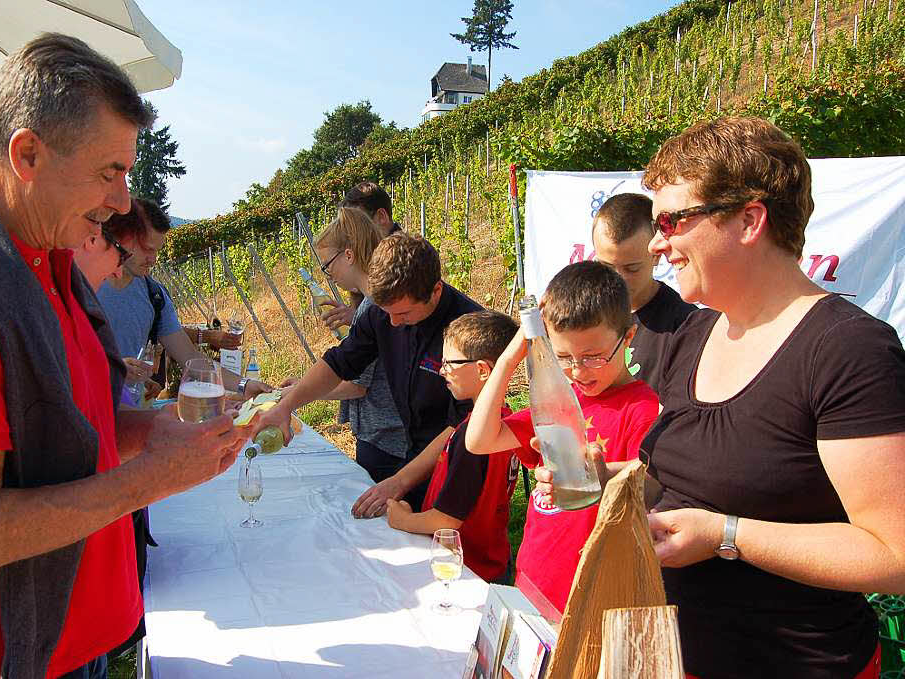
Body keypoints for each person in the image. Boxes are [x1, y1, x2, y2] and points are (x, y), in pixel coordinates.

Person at [0, 34, 248, 678]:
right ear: (26, 154)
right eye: (110, 171)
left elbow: (64, 428)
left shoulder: (47, 262)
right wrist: (153, 478)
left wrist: (148, 430)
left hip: (71, 650)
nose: (123, 202)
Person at [541, 117, 905, 678]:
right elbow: (696, 477)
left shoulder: (846, 350)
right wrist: (609, 479)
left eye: (672, 219)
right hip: (671, 655)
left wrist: (728, 536)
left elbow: (894, 555)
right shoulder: (695, 335)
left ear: (749, 219)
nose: (659, 242)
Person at [467, 261, 659, 619]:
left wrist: (601, 473)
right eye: (564, 357)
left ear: (628, 337)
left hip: (589, 596)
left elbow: (651, 483)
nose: (578, 371)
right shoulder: (556, 399)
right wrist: (511, 357)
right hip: (532, 578)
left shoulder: (642, 408)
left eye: (594, 356)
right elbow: (478, 440)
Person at [255, 232, 483, 515]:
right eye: (387, 312)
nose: (393, 323)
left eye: (404, 313)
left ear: (435, 291)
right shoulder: (381, 313)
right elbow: (340, 362)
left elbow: (462, 425)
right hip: (412, 453)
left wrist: (400, 481)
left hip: (460, 465)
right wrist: (286, 406)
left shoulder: (470, 330)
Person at [385, 311, 521, 584]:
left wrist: (402, 520)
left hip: (466, 569)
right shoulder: (508, 424)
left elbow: (446, 521)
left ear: (483, 370)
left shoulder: (473, 438)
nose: (441, 370)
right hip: (493, 560)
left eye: (450, 363)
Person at [99, 197, 271, 402]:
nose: (153, 260)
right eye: (147, 248)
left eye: (157, 251)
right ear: (123, 237)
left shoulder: (154, 295)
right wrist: (109, 370)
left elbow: (191, 358)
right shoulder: (79, 286)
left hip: (130, 418)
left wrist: (244, 385)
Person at [310, 206, 410, 481]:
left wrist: (306, 392)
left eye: (327, 266)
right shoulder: (371, 304)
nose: (328, 274)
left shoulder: (372, 307)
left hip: (385, 440)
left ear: (349, 255)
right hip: (388, 434)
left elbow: (356, 385)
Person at [591, 192, 697, 390]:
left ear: (656, 255)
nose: (618, 279)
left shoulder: (685, 326)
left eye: (632, 268)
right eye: (606, 266)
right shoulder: (585, 313)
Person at [320, 182, 403, 331]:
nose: (350, 237)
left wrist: (360, 318)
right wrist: (357, 316)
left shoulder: (404, 262)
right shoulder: (372, 260)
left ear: (381, 217)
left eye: (360, 222)